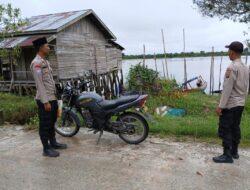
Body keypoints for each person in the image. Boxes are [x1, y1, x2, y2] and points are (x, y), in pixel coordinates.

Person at [213, 41, 249, 163]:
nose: (228, 53)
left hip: (231, 104)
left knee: (225, 128)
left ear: (232, 52)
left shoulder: (232, 67)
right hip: (240, 103)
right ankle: (234, 152)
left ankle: (227, 155)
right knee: (235, 127)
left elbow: (227, 89)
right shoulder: (245, 67)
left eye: (229, 50)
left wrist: (220, 106)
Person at [30, 37, 67, 157]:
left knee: (52, 122)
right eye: (47, 46)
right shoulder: (36, 63)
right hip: (44, 100)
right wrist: (46, 102)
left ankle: (53, 142)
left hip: (52, 97)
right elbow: (40, 84)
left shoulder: (45, 62)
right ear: (41, 48)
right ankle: (46, 149)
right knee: (45, 124)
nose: (49, 47)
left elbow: (49, 81)